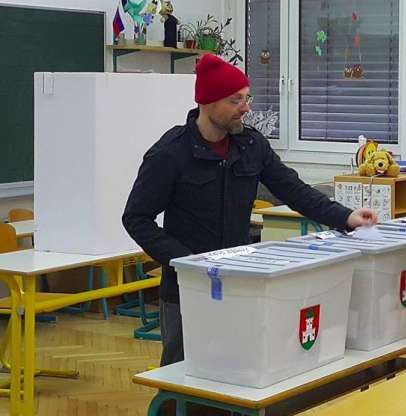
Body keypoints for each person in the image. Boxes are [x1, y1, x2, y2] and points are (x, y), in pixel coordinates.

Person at [122, 53, 377, 366]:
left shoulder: (252, 146)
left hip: (240, 283)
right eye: (235, 100)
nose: (246, 108)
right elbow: (136, 218)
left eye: (246, 98)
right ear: (208, 101)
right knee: (182, 380)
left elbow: (293, 190)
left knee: (236, 373)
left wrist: (345, 217)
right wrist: (186, 262)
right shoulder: (170, 154)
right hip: (187, 290)